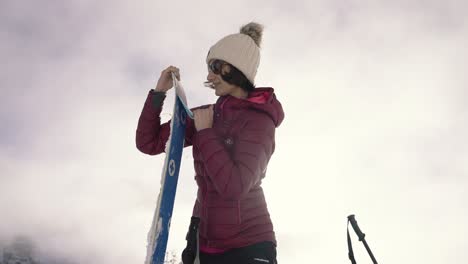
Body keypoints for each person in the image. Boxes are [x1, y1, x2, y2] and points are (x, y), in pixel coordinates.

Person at [136, 22, 284, 264]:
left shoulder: (260, 122)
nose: (209, 76)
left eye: (215, 67)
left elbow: (235, 186)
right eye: (209, 68)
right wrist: (158, 93)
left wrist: (205, 134)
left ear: (237, 68)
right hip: (202, 246)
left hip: (248, 248)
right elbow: (148, 142)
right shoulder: (208, 115)